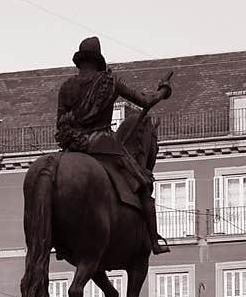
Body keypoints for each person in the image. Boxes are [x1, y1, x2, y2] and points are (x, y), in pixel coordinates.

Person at [56, 36, 172, 254]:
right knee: (143, 183)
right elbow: (145, 102)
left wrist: (72, 138)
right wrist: (164, 91)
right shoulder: (110, 82)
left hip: (72, 146)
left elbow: (60, 123)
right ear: (98, 60)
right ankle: (153, 242)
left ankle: (62, 242)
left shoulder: (66, 87)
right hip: (103, 144)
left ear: (80, 61)